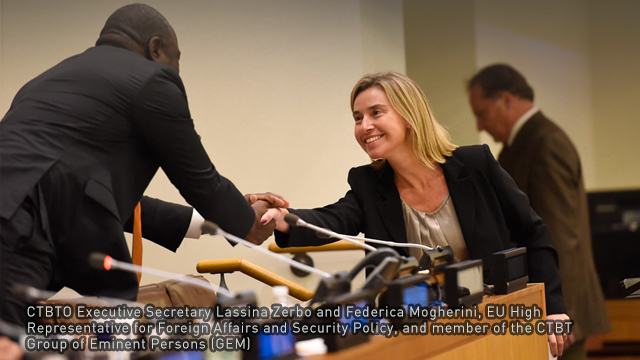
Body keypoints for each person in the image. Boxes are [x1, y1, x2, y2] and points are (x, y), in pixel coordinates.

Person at [0, 4, 286, 328]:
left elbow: (86, 189)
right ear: (155, 48)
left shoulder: (47, 81)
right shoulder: (152, 79)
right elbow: (201, 181)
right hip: (15, 226)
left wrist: (211, 220)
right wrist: (247, 223)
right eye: (176, 61)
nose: (176, 72)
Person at [261, 71, 570, 357]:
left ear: (409, 115)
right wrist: (284, 220)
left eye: (376, 112)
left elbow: (534, 233)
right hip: (419, 336)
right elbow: (334, 219)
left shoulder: (476, 165)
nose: (364, 126)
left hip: (493, 327)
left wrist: (553, 308)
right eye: (357, 117)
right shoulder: (369, 184)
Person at [467, 64, 610, 359]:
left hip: (557, 312)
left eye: (481, 113)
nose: (479, 125)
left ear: (506, 99)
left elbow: (557, 237)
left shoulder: (545, 143)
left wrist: (558, 311)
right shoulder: (519, 146)